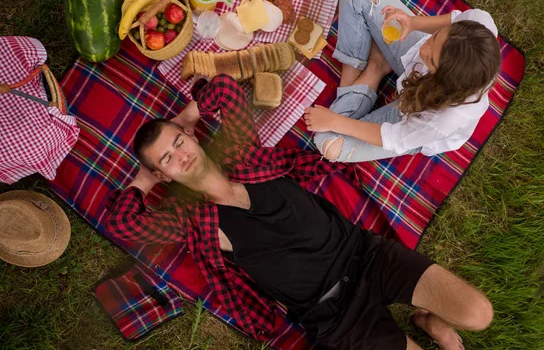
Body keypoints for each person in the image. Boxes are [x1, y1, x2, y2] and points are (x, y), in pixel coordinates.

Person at [105, 74, 493, 350]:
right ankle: (427, 325)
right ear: (163, 173)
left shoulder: (242, 152)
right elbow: (122, 223)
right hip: (333, 315)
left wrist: (188, 115)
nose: (182, 156)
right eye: (167, 160)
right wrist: (143, 180)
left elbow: (223, 89)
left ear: (191, 135)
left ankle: (431, 319)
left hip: (366, 255)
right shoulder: (190, 220)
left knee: (478, 314)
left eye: (178, 142)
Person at [304, 0, 501, 163]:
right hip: (412, 66)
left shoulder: (443, 119)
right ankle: (374, 68)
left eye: (431, 59)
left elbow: (395, 138)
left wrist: (335, 122)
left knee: (328, 143)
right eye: (435, 38)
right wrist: (412, 23)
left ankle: (373, 70)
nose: (424, 49)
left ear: (444, 79)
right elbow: (452, 21)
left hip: (414, 113)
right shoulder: (480, 24)